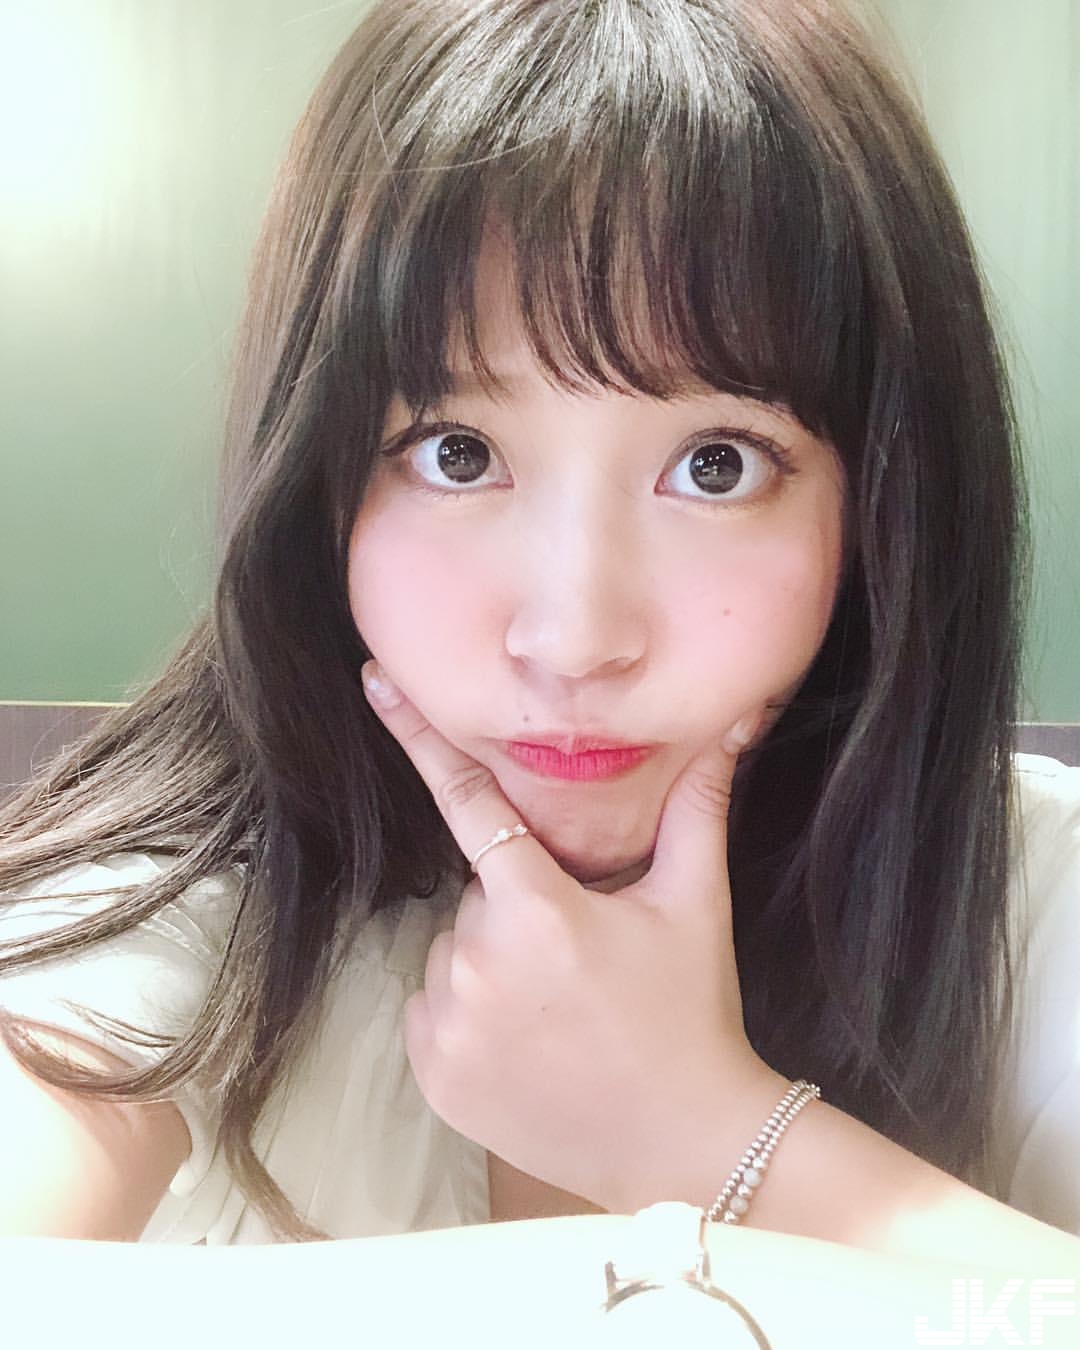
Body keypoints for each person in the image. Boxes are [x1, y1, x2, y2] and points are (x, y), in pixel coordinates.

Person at [0, 0, 1077, 1319]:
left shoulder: (1033, 897)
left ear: (879, 506)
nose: (573, 638)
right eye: (456, 453)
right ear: (315, 481)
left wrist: (701, 1129)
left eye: (718, 465)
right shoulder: (186, 901)